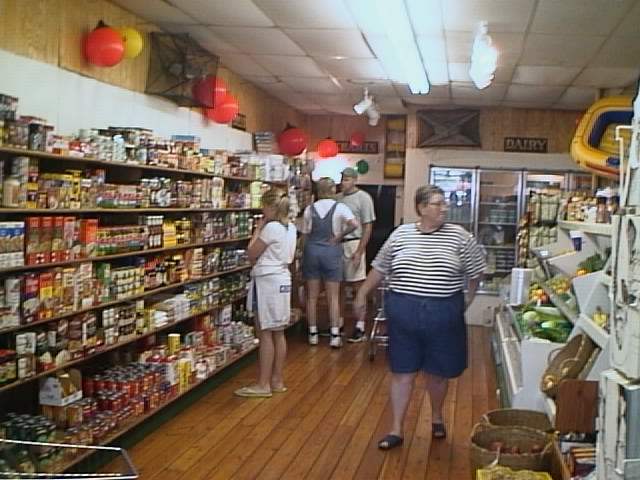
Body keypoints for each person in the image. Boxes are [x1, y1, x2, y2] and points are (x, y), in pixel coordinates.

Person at [353, 185, 485, 449]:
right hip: (403, 311)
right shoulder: (400, 235)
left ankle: (436, 417)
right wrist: (361, 295)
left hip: (444, 311)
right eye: (438, 204)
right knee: (402, 371)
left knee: (438, 373)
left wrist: (467, 299)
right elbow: (380, 268)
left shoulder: (459, 237)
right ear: (422, 208)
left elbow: (477, 272)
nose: (444, 208)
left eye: (444, 203)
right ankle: (396, 429)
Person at [234, 189, 297, 398]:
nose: (262, 210)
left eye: (264, 206)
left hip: (267, 281)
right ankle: (277, 380)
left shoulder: (271, 228)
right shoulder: (292, 228)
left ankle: (263, 384)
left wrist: (257, 231)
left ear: (271, 207)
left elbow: (252, 253)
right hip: (283, 279)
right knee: (278, 331)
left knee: (265, 332)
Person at [301, 177, 358, 348]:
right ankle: (334, 334)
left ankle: (313, 333)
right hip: (331, 251)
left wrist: (303, 252)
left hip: (312, 252)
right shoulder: (340, 208)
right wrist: (340, 236)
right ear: (333, 190)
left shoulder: (309, 210)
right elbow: (354, 224)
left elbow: (305, 234)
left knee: (312, 296)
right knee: (333, 296)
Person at [337, 167, 376, 343]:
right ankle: (337, 323)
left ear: (354, 180)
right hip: (337, 243)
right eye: (342, 179)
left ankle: (360, 325)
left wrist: (360, 250)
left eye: (347, 179)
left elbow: (368, 225)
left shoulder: (364, 198)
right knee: (337, 286)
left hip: (354, 242)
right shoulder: (337, 199)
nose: (343, 182)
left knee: (357, 286)